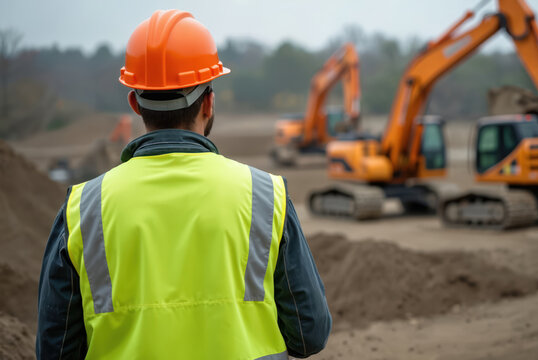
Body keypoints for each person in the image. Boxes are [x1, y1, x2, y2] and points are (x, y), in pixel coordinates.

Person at [36, 9, 332, 359]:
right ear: (208, 102)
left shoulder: (82, 208)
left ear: (134, 103)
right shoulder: (267, 196)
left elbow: (55, 352)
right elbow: (308, 332)